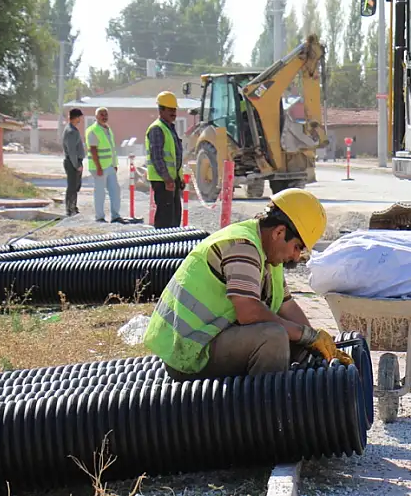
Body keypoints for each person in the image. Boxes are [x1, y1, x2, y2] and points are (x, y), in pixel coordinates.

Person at [143, 188, 353, 380]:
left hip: (212, 340)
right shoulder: (243, 246)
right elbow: (249, 312)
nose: (296, 257)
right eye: (297, 247)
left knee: (298, 341)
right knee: (273, 337)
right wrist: (306, 335)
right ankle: (261, 416)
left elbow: (286, 306)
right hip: (189, 352)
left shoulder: (270, 255)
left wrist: (318, 344)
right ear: (279, 232)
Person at [146, 91, 184, 228]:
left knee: (174, 218)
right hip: (162, 181)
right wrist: (167, 178)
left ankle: (172, 246)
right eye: (170, 110)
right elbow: (156, 157)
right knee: (165, 219)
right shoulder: (157, 129)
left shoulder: (170, 128)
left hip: (171, 180)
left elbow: (175, 156)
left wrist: (180, 178)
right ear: (161, 110)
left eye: (175, 109)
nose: (174, 113)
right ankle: (161, 246)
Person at [86, 107, 124, 223]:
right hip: (99, 168)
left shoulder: (107, 129)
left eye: (106, 114)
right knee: (100, 192)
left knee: (115, 190)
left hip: (110, 166)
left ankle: (115, 216)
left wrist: (114, 164)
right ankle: (100, 217)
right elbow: (93, 150)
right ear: (96, 116)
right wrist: (98, 167)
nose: (104, 116)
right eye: (102, 114)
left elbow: (112, 149)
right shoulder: (93, 130)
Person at [62, 108, 85, 216]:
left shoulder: (73, 129)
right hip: (72, 162)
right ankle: (70, 209)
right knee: (72, 186)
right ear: (76, 117)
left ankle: (73, 207)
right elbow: (72, 151)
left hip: (74, 161)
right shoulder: (71, 131)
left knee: (75, 186)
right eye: (79, 117)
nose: (80, 119)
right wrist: (77, 165)